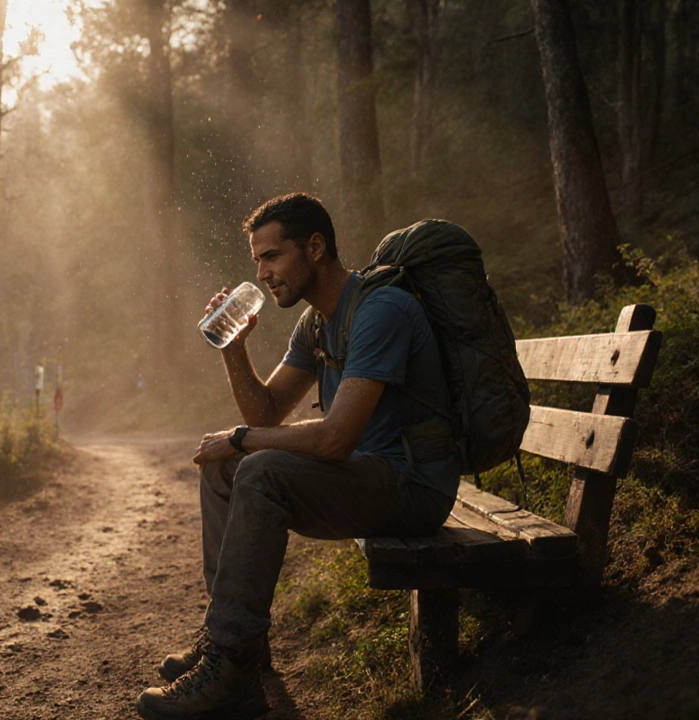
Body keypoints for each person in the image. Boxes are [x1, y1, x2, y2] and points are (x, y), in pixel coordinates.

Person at [135, 193, 460, 720]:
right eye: (257, 261)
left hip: (413, 487)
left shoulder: (380, 309)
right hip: (366, 477)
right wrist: (234, 350)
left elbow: (334, 439)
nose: (262, 273)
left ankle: (231, 675)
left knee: (255, 463)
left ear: (314, 248)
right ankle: (235, 646)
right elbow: (267, 413)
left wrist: (242, 438)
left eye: (272, 256)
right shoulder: (316, 323)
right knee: (224, 464)